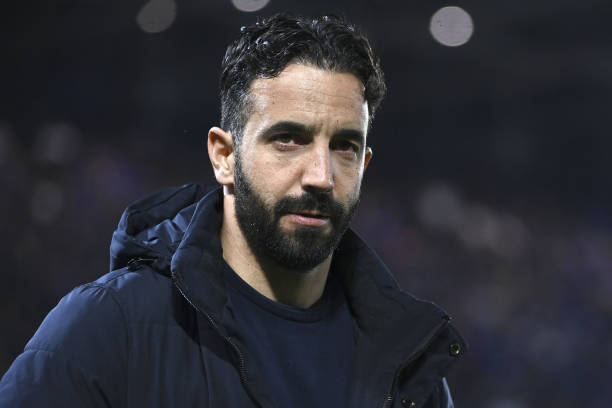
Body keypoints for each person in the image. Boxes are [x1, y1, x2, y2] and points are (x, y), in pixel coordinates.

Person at [0, 13, 465, 408]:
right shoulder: (108, 328)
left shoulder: (410, 365)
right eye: (288, 138)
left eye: (344, 146)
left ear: (363, 165)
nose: (321, 175)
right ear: (224, 155)